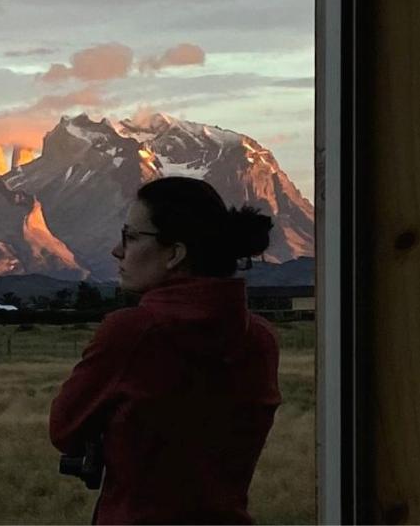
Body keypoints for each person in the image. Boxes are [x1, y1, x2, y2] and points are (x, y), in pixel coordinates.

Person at [49, 176, 281, 524]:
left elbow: (64, 429)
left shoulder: (133, 332)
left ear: (175, 253)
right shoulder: (261, 340)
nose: (118, 250)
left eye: (130, 236)